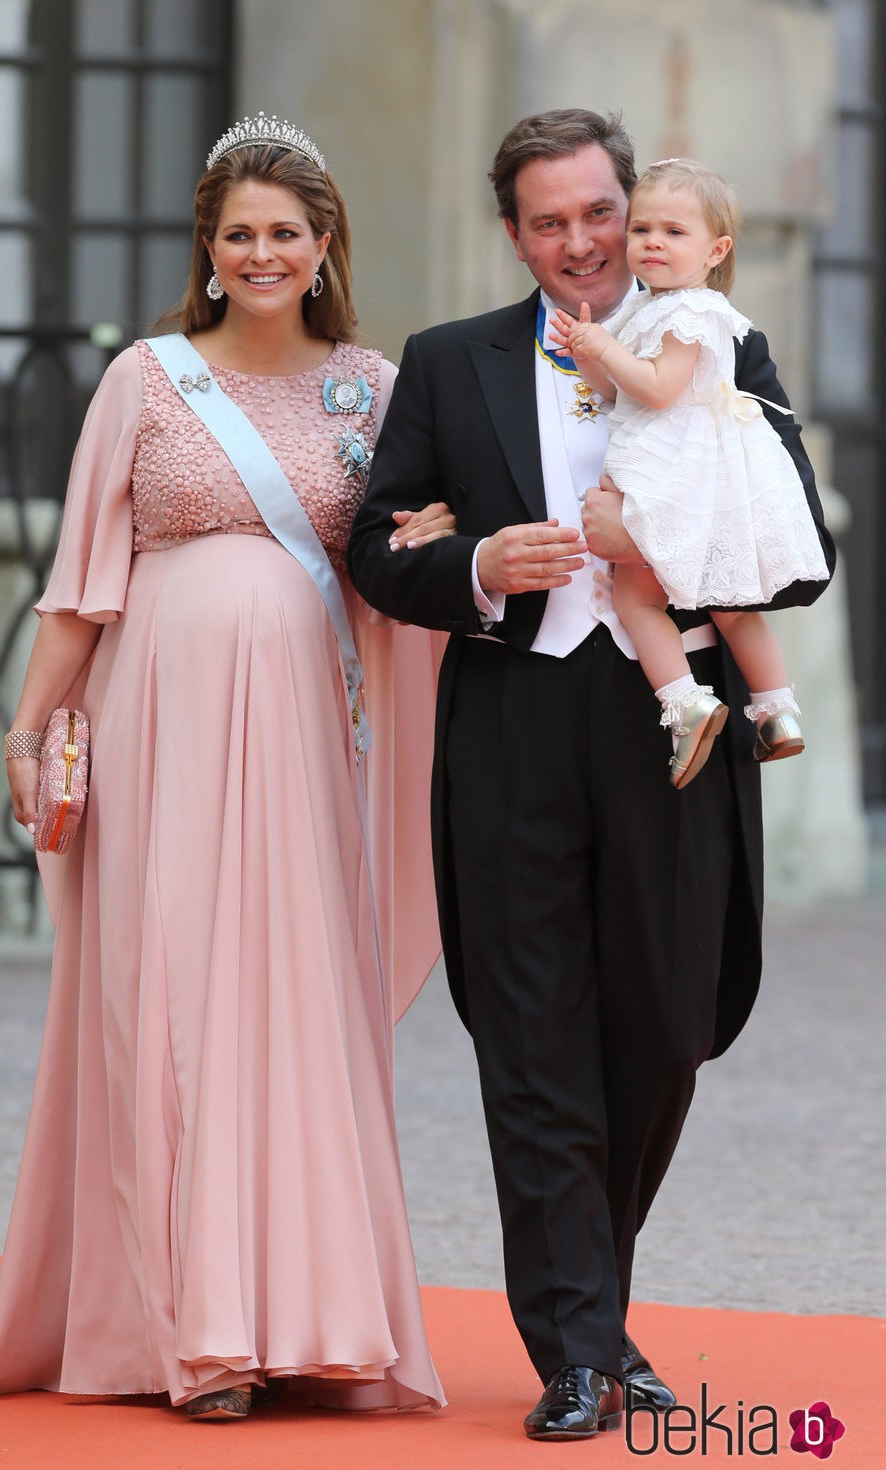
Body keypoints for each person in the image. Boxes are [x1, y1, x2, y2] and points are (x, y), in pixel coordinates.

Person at [0, 113, 451, 1420]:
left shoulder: (376, 387)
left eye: (287, 231)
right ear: (210, 252)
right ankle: (192, 1333)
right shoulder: (145, 379)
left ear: (324, 245)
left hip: (301, 742)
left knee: (292, 1005)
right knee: (164, 1002)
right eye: (241, 233)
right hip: (157, 725)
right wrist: (25, 723)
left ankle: (312, 1322)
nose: (264, 250)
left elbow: (394, 566)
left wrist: (448, 538)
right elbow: (79, 586)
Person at [348, 109, 834, 1441]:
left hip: (669, 726)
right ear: (513, 230)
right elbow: (375, 547)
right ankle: (579, 1343)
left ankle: (592, 1306)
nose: (578, 242)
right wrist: (472, 568)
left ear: (637, 210)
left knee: (667, 1026)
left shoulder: (724, 340)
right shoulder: (449, 364)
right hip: (511, 726)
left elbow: (801, 555)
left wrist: (667, 543)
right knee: (532, 1039)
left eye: (598, 213)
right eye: (548, 220)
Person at [550, 158, 828, 788]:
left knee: (635, 595)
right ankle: (776, 712)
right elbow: (614, 391)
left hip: (676, 467)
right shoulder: (651, 308)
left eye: (674, 232)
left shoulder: (693, 312)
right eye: (641, 228)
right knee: (728, 605)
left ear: (715, 250)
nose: (652, 242)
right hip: (686, 461)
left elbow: (657, 390)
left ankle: (687, 704)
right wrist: (590, 356)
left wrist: (606, 349)